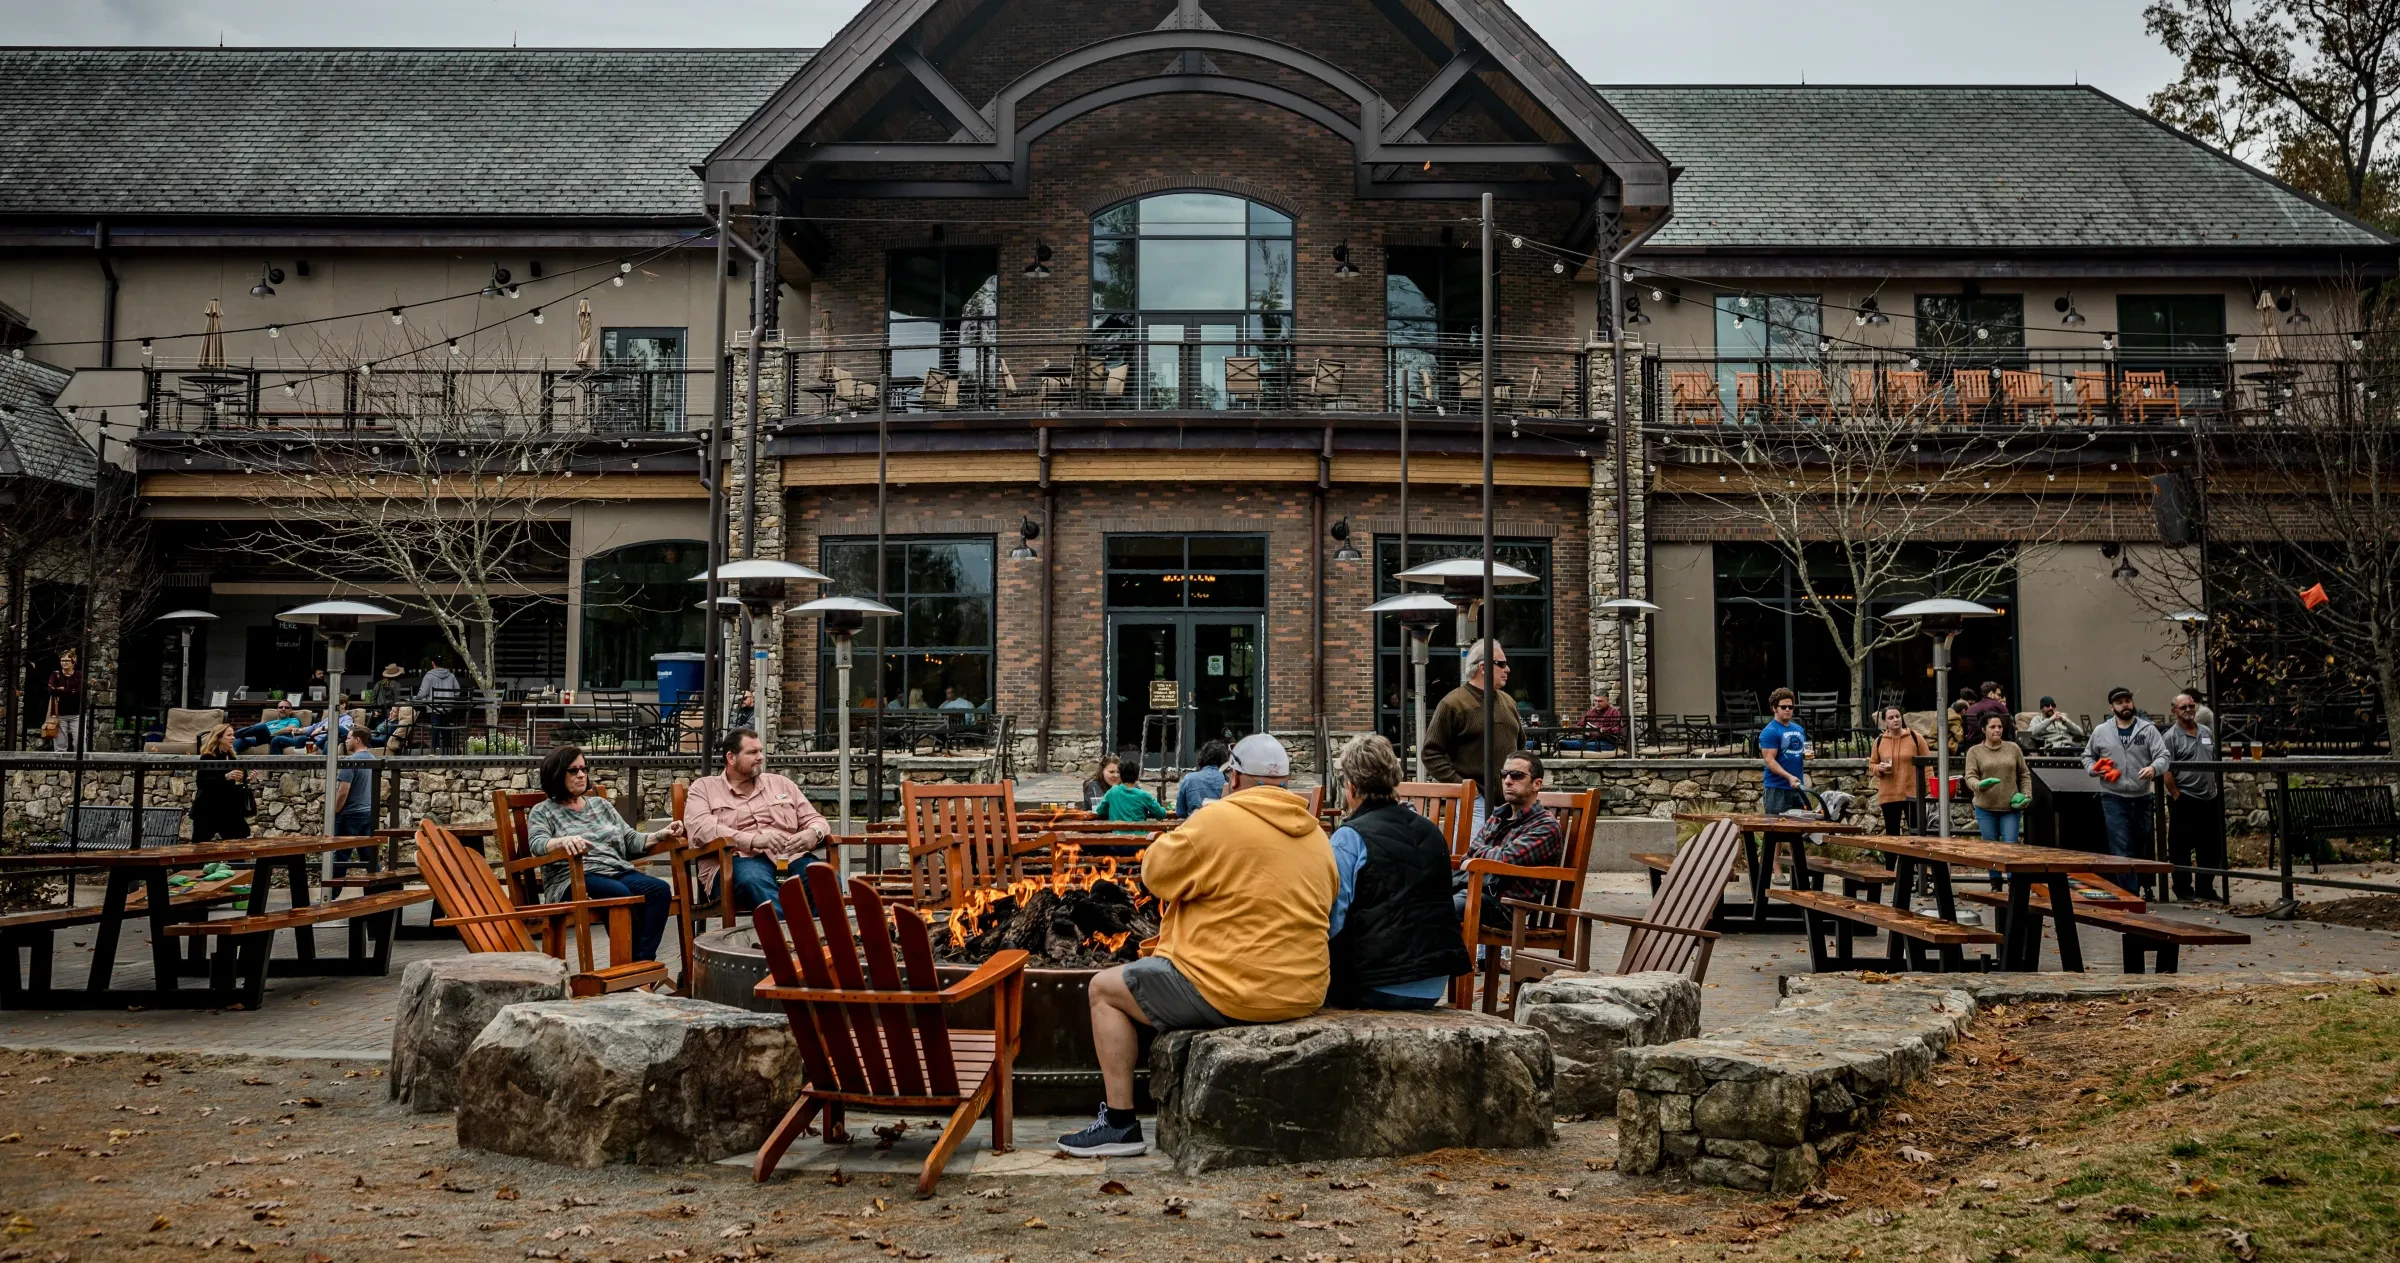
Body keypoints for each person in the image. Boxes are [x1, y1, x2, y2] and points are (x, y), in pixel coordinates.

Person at [1060, 733, 1335, 1159]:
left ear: (1236, 776)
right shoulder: (1316, 834)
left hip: (1232, 990)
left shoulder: (1217, 820)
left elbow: (1155, 874)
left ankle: (1119, 1124)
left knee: (1104, 989)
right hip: (1302, 990)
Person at [1326, 734, 1471, 1008]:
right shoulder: (1431, 830)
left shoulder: (1349, 837)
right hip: (1432, 983)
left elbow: (1333, 918)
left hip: (1372, 982)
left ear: (1352, 786)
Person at [526, 745, 684, 965]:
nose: (581, 774)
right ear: (556, 773)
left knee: (659, 890)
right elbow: (537, 843)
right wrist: (563, 841)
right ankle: (629, 966)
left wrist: (660, 834)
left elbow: (629, 839)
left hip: (614, 870)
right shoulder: (543, 811)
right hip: (573, 878)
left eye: (583, 768)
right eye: (573, 770)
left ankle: (641, 964)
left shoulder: (600, 805)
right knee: (619, 893)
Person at [684, 728, 830, 918]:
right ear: (731, 757)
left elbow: (815, 819)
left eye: (760, 751)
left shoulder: (781, 783)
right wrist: (753, 840)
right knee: (754, 879)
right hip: (736, 862)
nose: (760, 757)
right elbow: (701, 829)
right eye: (752, 752)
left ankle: (822, 942)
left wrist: (814, 832)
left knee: (825, 878)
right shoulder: (704, 788)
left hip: (788, 858)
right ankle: (788, 942)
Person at [1453, 751, 1565, 927]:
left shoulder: (1545, 826)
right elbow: (1469, 853)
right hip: (1477, 893)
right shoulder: (1498, 815)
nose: (1507, 781)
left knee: (1446, 907)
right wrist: (1489, 854)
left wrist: (1483, 853)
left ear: (1537, 784)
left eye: (1517, 775)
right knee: (1418, 901)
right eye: (1504, 774)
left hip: (1508, 908)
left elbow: (1504, 861)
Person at [1421, 638, 1523, 829]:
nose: (1507, 669)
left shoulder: (1508, 702)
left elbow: (1521, 749)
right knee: (1475, 857)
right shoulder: (1453, 704)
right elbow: (1430, 753)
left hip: (1511, 801)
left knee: (1505, 858)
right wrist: (1466, 787)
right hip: (1475, 802)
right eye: (1501, 664)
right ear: (1483, 668)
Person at [2082, 686, 2171, 871]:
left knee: (2141, 846)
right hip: (2113, 797)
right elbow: (2087, 756)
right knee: (2121, 849)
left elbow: (2163, 756)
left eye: (2128, 701)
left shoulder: (2147, 729)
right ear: (2111, 707)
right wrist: (2092, 769)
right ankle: (2129, 894)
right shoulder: (2101, 731)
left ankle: (2138, 889)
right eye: (2119, 703)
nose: (2125, 706)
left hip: (2142, 797)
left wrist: (2153, 768)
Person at [2161, 692, 2225, 902]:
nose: (2189, 710)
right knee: (2181, 847)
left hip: (2208, 798)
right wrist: (2176, 795)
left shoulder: (2205, 731)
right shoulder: (2170, 737)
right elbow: (2166, 769)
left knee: (2210, 847)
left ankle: (2205, 888)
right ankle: (2183, 889)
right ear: (2174, 712)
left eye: (2191, 706)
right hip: (2185, 798)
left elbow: (2213, 758)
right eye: (2183, 707)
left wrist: (2215, 786)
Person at [1966, 712, 2033, 843]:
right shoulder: (1974, 751)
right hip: (1985, 808)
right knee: (1991, 849)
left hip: (2010, 807)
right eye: (1992, 727)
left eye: (2000, 726)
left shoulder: (2013, 748)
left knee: (2010, 845)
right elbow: (1970, 776)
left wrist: (2027, 794)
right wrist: (1979, 785)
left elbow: (2024, 774)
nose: (1997, 730)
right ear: (1983, 729)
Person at [1869, 705, 1928, 836]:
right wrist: (1878, 768)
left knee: (1918, 833)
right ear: (1885, 722)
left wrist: (1929, 789)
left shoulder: (1915, 737)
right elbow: (1872, 764)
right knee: (1892, 835)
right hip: (1889, 794)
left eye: (1897, 716)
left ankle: (1915, 857)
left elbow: (1927, 765)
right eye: (1890, 718)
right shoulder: (1879, 741)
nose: (1895, 720)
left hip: (1913, 793)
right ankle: (1892, 858)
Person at [189, 722, 252, 842]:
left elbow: (236, 782)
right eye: (229, 735)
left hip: (228, 809)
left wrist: (247, 780)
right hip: (208, 809)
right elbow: (201, 783)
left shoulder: (232, 757)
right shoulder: (208, 757)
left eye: (233, 735)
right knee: (199, 846)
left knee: (241, 838)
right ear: (219, 737)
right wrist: (225, 777)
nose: (233, 738)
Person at [330, 726, 378, 873]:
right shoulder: (373, 759)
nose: (346, 741)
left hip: (349, 814)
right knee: (369, 857)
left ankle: (332, 894)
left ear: (357, 740)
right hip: (367, 813)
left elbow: (343, 791)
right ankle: (379, 890)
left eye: (349, 738)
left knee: (339, 856)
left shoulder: (350, 761)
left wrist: (336, 811)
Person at [1758, 687, 1810, 814]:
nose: (1788, 709)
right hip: (1777, 789)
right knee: (1776, 830)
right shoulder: (1770, 731)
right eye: (1783, 707)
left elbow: (1794, 752)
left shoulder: (1798, 729)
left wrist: (1805, 754)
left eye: (1791, 707)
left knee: (1799, 830)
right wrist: (1789, 777)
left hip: (1797, 787)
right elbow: (1769, 760)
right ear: (1774, 708)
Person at [1094, 751, 1169, 822]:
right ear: (1137, 778)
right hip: (1140, 834)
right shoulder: (1144, 795)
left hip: (1117, 833)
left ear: (1121, 776)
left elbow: (1100, 811)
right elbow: (1161, 813)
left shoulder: (1112, 792)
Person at [1174, 739, 1230, 816]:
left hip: (1195, 825)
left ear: (1201, 758)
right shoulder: (1230, 782)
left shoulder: (1188, 779)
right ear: (1224, 761)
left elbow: (1180, 812)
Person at [45, 649, 83, 752]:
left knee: (79, 744)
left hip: (77, 714)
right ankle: (61, 767)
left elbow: (79, 693)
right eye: (62, 660)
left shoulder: (79, 675)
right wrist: (70, 691)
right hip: (59, 715)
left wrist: (61, 690)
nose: (64, 663)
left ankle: (78, 767)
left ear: (73, 661)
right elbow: (50, 690)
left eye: (67, 660)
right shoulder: (55, 674)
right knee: (60, 745)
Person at [2022, 696, 2086, 756]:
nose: (2051, 707)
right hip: (2054, 748)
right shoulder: (2037, 719)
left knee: (2086, 754)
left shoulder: (2062, 718)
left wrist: (2065, 721)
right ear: (2042, 708)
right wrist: (2050, 720)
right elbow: (2030, 733)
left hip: (2070, 746)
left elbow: (2080, 732)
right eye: (2047, 705)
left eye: (2053, 705)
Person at [233, 698, 302, 752]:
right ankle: (232, 763)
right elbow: (255, 728)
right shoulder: (270, 722)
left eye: (286, 707)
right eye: (280, 707)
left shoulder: (293, 720)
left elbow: (290, 729)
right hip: (260, 739)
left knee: (262, 726)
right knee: (239, 740)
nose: (283, 709)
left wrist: (273, 733)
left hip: (275, 738)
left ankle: (232, 735)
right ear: (277, 710)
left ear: (291, 711)